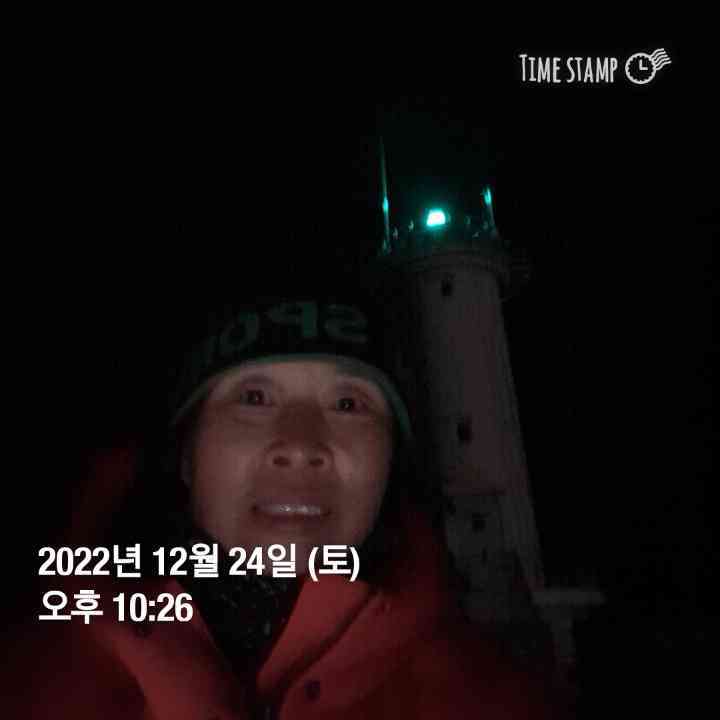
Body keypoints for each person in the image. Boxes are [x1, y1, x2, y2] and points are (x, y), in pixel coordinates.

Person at [8, 279, 568, 719]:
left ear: (390, 463)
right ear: (186, 458)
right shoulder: (30, 665)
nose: (301, 445)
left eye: (348, 404)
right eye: (254, 397)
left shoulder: (494, 697)